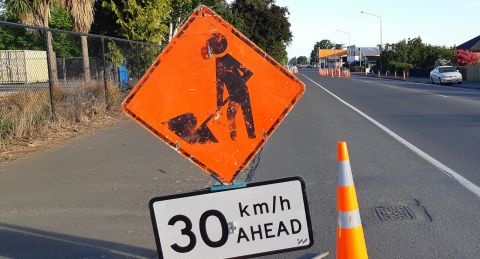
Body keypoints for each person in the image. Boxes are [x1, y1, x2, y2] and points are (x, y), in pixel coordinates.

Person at [207, 33, 256, 141]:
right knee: (230, 116)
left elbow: (248, 72)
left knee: (247, 115)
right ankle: (233, 138)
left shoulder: (229, 58)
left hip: (242, 91)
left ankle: (252, 137)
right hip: (233, 95)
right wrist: (219, 105)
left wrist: (239, 86)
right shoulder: (217, 64)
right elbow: (219, 86)